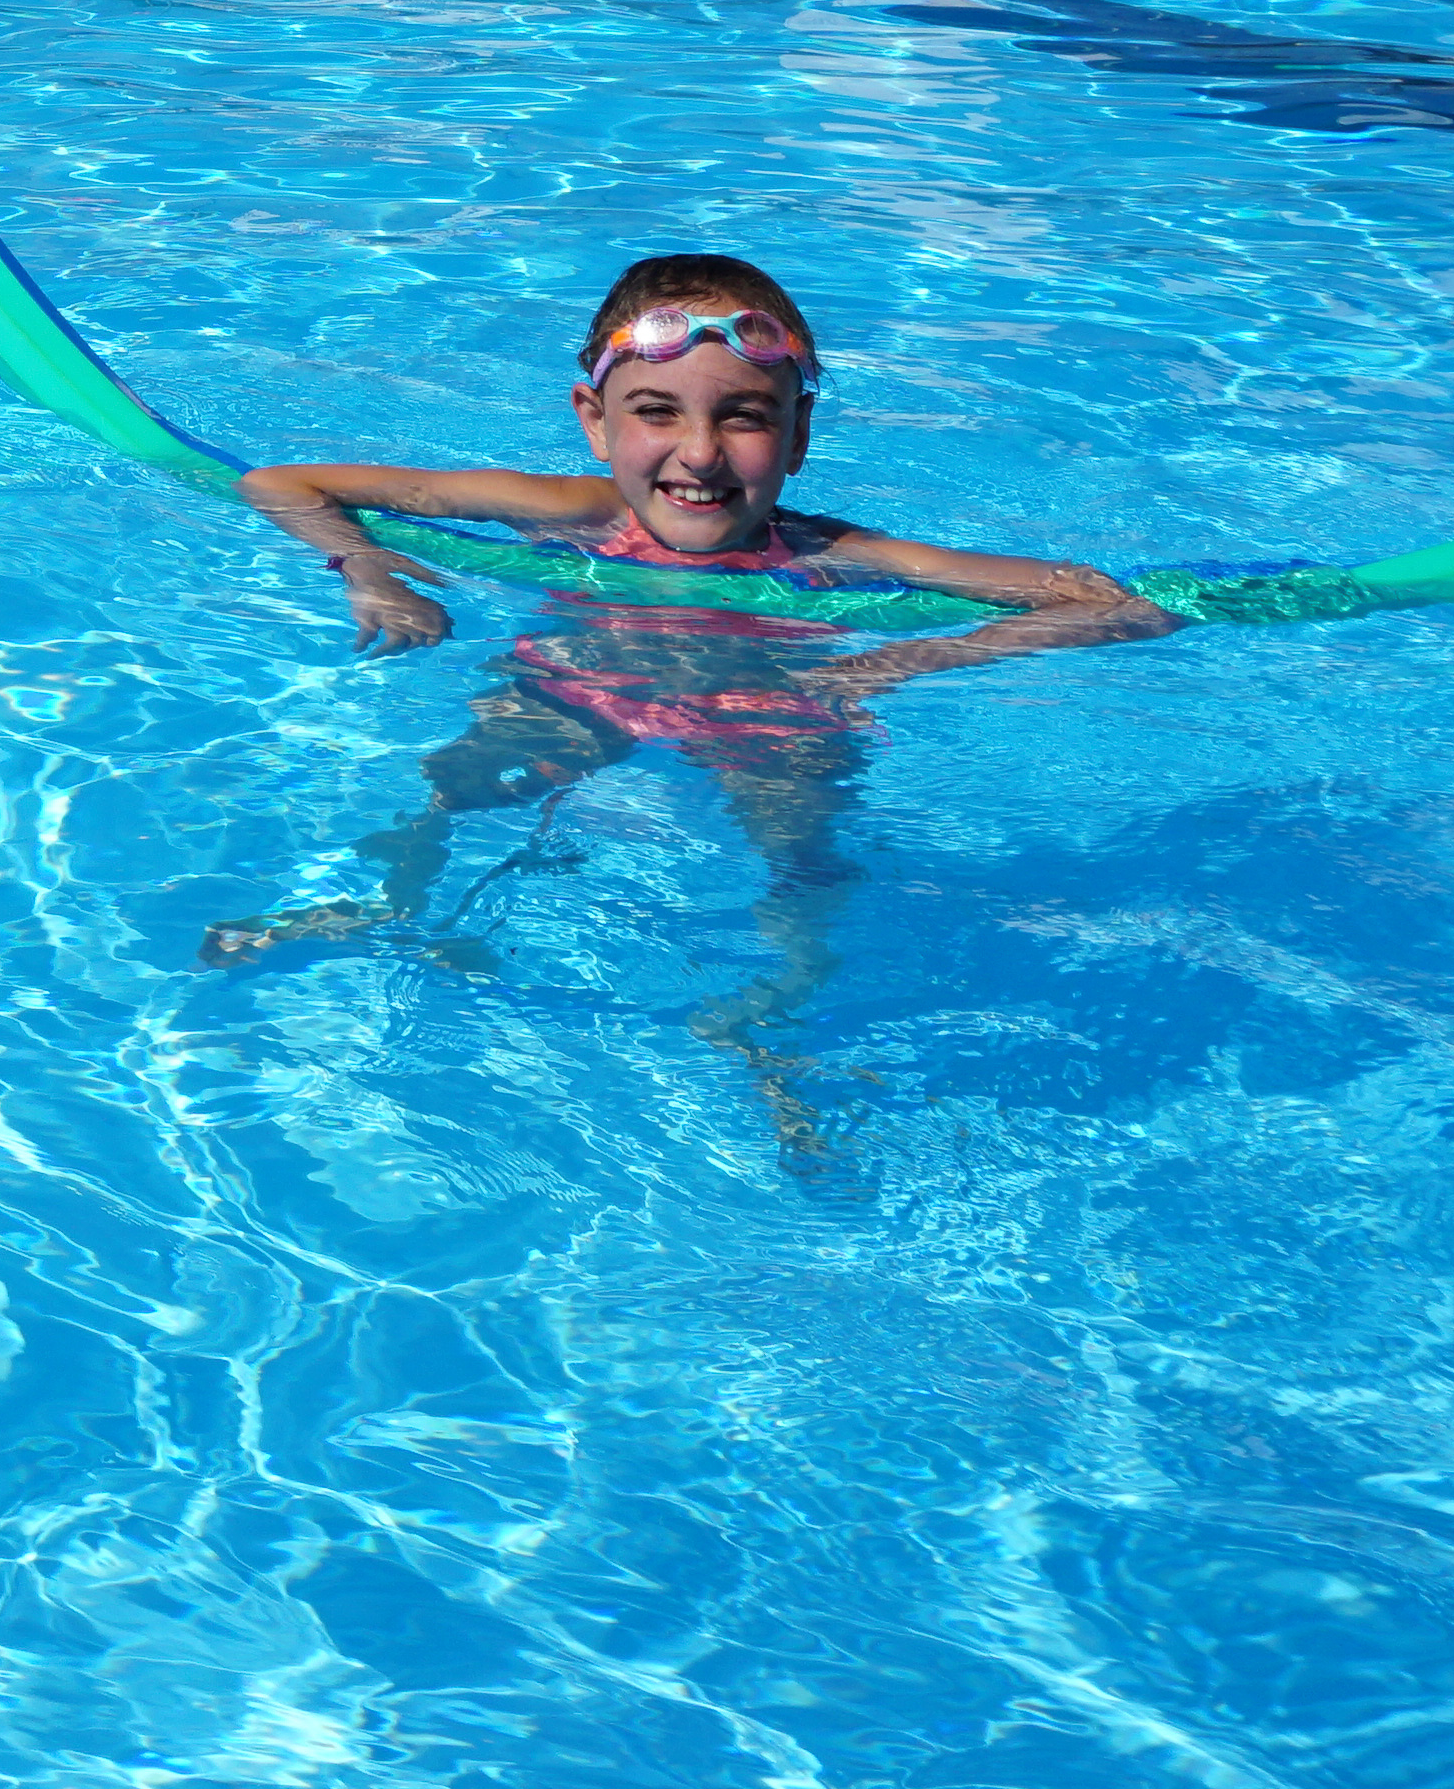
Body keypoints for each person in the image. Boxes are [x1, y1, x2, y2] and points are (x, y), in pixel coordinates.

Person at [204, 254, 1167, 1148]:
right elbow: (282, 483)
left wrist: (893, 663)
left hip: (771, 714)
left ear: (798, 435)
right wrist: (371, 571)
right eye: (657, 412)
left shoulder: (835, 559)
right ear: (594, 420)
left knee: (804, 870)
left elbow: (1115, 608)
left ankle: (769, 1019)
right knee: (455, 788)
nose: (699, 454)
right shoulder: (570, 512)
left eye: (744, 416)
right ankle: (382, 904)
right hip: (585, 685)